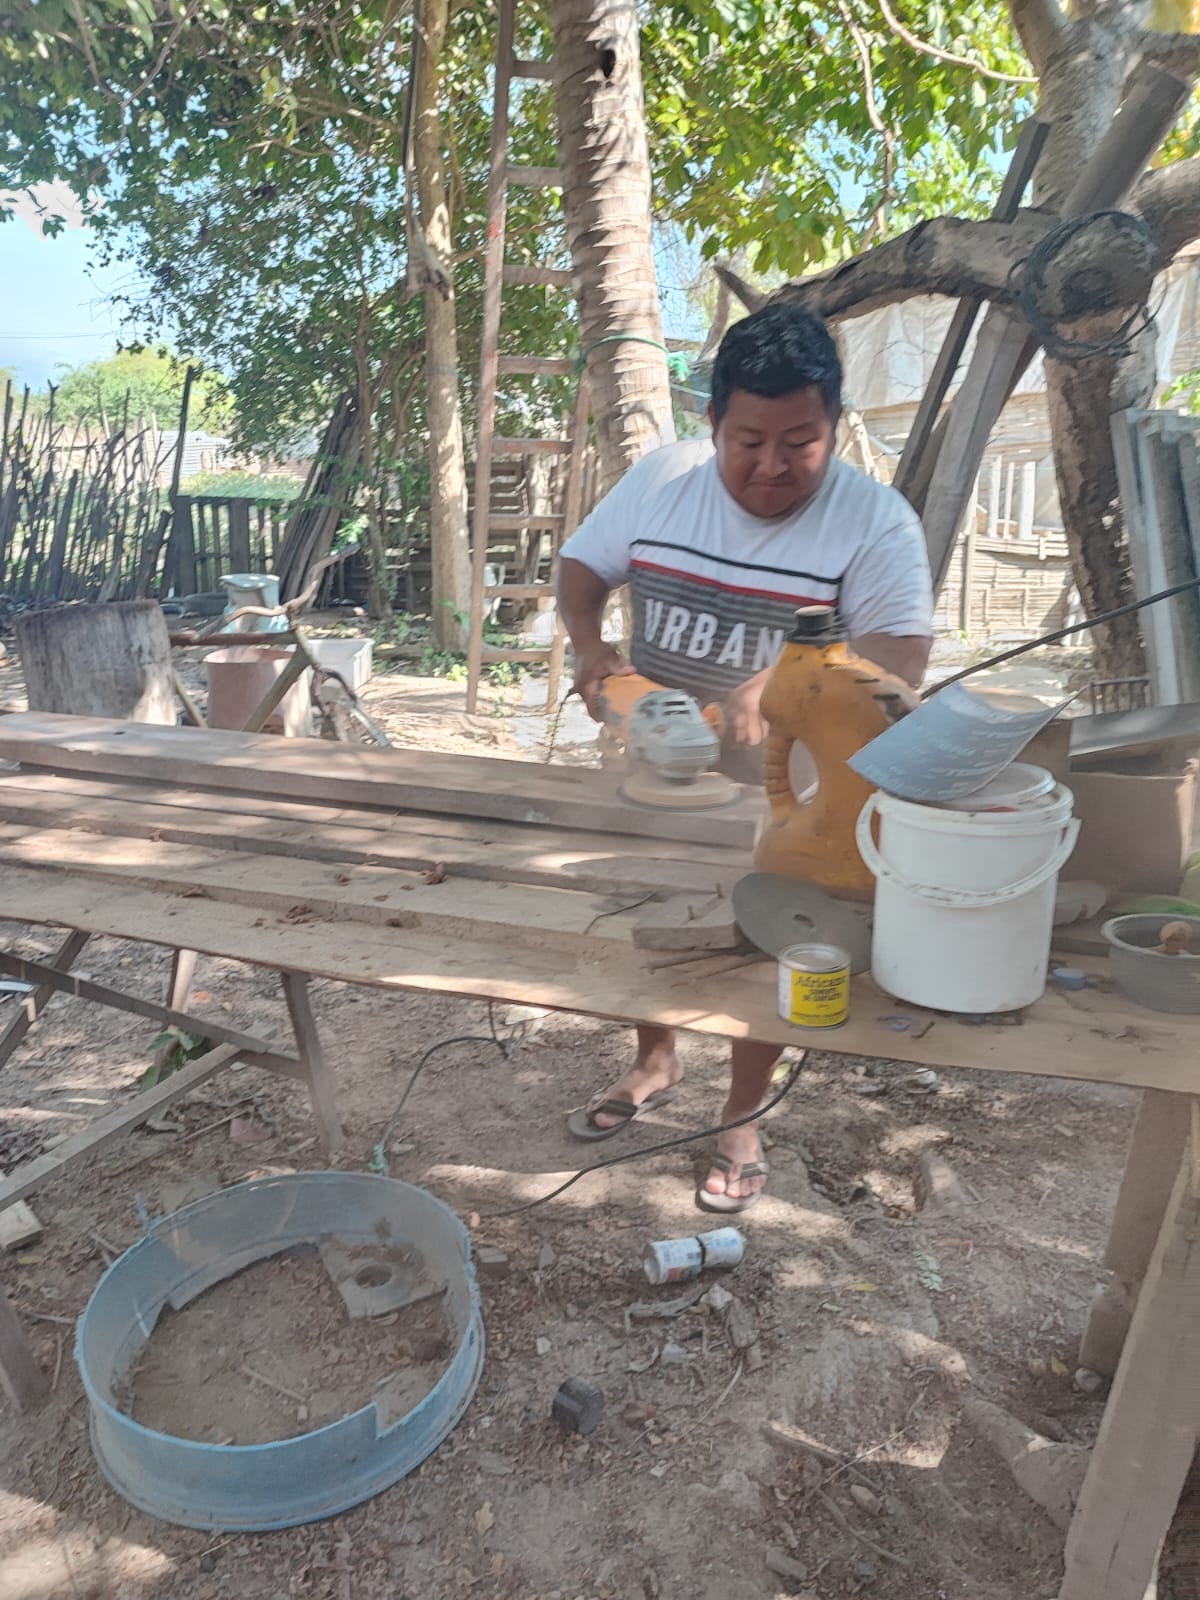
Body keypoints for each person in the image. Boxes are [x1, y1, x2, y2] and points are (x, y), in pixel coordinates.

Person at [556, 302, 934, 1212]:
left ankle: (741, 1111)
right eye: (748, 441)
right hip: (658, 761)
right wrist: (592, 648)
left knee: (765, 938)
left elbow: (900, 657)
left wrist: (790, 685)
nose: (771, 466)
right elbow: (582, 569)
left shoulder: (875, 523)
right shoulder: (663, 480)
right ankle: (654, 1060)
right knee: (646, 906)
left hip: (787, 792)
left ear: (834, 424)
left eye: (799, 443)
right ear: (714, 420)